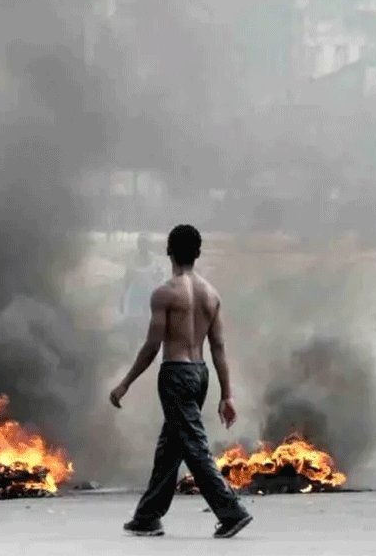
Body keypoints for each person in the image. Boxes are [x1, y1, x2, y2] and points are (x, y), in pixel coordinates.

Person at [109, 224, 253, 539]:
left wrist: (125, 383)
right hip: (200, 374)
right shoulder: (211, 295)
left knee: (192, 446)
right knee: (171, 446)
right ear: (198, 254)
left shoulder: (165, 293)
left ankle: (231, 512)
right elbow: (218, 348)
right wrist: (226, 394)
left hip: (175, 373)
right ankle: (148, 516)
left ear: (169, 252)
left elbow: (151, 346)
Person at [118, 234, 166, 328]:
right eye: (141, 244)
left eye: (146, 244)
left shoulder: (156, 261)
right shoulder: (132, 261)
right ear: (138, 245)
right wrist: (122, 299)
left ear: (150, 246)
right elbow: (126, 281)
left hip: (149, 296)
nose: (144, 247)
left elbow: (161, 280)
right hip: (135, 296)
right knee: (134, 324)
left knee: (148, 323)